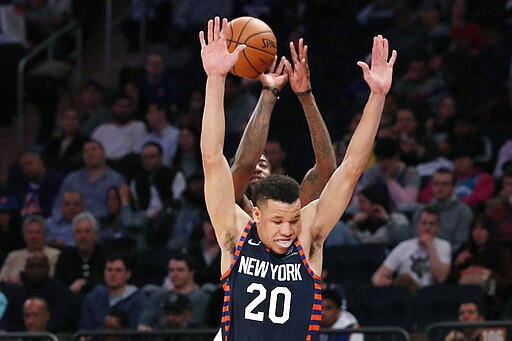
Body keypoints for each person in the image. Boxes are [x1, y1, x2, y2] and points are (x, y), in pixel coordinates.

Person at [199, 17, 396, 340]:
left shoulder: (308, 236)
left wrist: (377, 96)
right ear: (257, 215)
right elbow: (211, 158)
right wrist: (216, 77)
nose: (288, 230)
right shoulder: (235, 233)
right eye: (278, 221)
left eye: (293, 219)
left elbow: (349, 170)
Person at [230, 39, 336, 216]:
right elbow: (246, 162)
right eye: (253, 167)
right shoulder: (233, 207)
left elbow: (327, 168)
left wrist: (305, 96)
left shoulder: (292, 211)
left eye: (262, 164)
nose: (256, 168)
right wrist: (268, 94)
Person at [372, 207, 451, 293]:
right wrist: (382, 281)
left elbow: (441, 278)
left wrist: (430, 246)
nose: (427, 227)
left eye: (432, 224)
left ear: (438, 227)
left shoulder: (444, 246)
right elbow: (378, 275)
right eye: (424, 223)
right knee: (404, 280)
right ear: (418, 225)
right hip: (403, 292)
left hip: (428, 294)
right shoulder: (404, 246)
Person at [449, 215, 512, 317]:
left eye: (482, 229)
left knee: (488, 290)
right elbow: (450, 279)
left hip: (492, 293)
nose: (477, 233)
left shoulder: (501, 252)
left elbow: (507, 282)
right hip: (464, 294)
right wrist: (457, 264)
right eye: (474, 229)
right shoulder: (466, 250)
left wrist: (488, 273)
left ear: (490, 231)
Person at [53, 140, 126, 220]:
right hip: (74, 226)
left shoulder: (117, 179)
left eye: (94, 149)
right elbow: (57, 206)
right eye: (86, 151)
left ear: (103, 153)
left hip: (106, 225)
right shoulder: (71, 179)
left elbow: (124, 209)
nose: (90, 153)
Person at [137, 253, 210, 331]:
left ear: (191, 272)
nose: (175, 274)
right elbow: (144, 322)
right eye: (171, 270)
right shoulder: (158, 296)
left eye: (180, 270)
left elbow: (196, 325)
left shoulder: (202, 298)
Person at [412, 167, 473, 253]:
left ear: (453, 187)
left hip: (447, 259)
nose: (440, 188)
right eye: (436, 184)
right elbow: (415, 240)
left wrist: (437, 255)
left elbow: (459, 244)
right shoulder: (421, 211)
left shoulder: (464, 212)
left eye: (445, 184)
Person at [79, 254, 144, 330]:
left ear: (128, 274)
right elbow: (84, 327)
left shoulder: (138, 300)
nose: (112, 274)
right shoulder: (94, 296)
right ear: (104, 272)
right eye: (109, 270)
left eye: (118, 270)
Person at [54, 212, 106, 297]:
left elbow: (109, 280)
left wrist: (86, 282)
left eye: (87, 231)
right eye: (79, 232)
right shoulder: (65, 256)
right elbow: (58, 284)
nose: (83, 236)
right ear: (73, 235)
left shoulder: (105, 254)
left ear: (95, 234)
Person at [0, 215, 60, 284]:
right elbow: (1, 279)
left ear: (45, 234)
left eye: (38, 232)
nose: (33, 236)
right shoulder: (13, 256)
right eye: (30, 232)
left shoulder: (55, 255)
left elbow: (52, 279)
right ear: (24, 235)